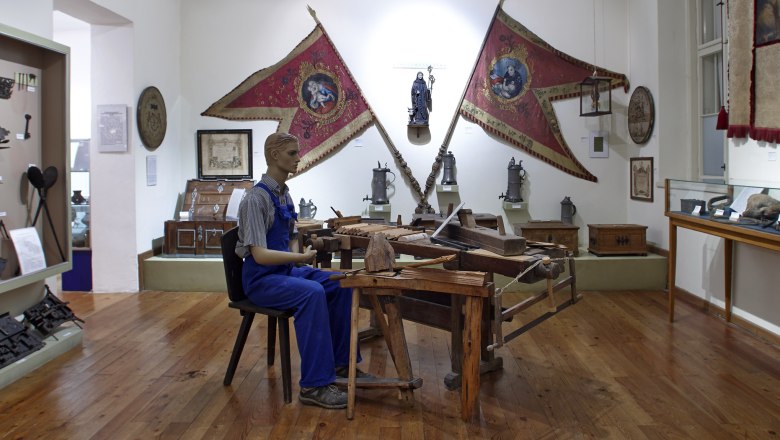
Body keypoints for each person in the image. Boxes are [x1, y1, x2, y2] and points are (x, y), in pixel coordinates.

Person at [236, 132, 365, 409]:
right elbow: (258, 254)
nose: (298, 158)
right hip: (261, 281)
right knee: (312, 293)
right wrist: (300, 256)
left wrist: (301, 250)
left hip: (284, 273)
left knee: (342, 281)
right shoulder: (255, 199)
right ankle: (314, 385)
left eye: (297, 152)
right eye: (292, 153)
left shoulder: (284, 195)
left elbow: (290, 235)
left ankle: (342, 365)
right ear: (274, 155)